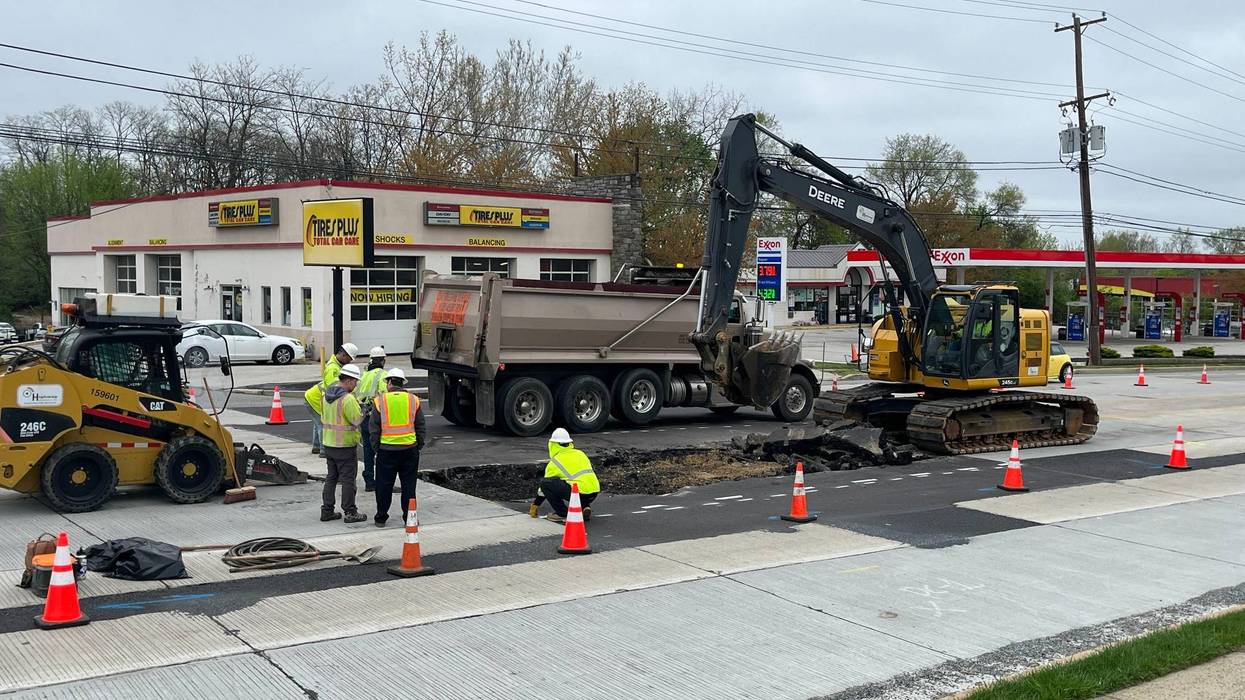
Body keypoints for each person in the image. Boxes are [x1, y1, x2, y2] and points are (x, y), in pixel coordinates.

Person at [368, 367, 425, 528]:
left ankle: (381, 518)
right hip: (409, 449)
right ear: (402, 383)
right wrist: (418, 445)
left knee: (383, 486)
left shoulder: (380, 401)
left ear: (390, 382)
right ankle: (409, 518)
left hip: (386, 450)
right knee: (409, 486)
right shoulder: (414, 400)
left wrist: (376, 448)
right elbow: (420, 426)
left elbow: (374, 429)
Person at [320, 364, 367, 523]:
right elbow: (356, 420)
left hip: (329, 443)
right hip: (345, 445)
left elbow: (324, 418)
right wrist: (364, 411)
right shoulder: (348, 399)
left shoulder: (326, 396)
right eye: (355, 381)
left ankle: (327, 510)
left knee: (331, 478)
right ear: (349, 380)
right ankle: (350, 511)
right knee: (348, 479)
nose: (356, 385)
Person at [537, 427, 600, 524]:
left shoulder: (555, 462)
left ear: (552, 444)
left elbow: (544, 488)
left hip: (578, 494)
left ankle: (562, 514)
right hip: (593, 492)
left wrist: (536, 504)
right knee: (577, 483)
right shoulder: (580, 453)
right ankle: (584, 507)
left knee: (545, 483)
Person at [307, 342, 359, 455]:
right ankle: (324, 450)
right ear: (344, 355)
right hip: (314, 398)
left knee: (318, 423)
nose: (349, 361)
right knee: (323, 424)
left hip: (314, 396)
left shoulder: (336, 365)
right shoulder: (333, 368)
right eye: (349, 359)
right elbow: (334, 388)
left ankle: (316, 446)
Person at [355, 346, 388, 492]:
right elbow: (385, 397)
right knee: (382, 450)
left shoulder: (364, 376)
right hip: (376, 418)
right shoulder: (383, 375)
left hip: (364, 417)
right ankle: (381, 480)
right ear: (383, 361)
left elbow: (357, 395)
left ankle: (369, 480)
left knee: (368, 450)